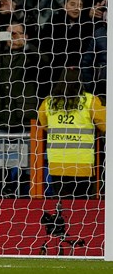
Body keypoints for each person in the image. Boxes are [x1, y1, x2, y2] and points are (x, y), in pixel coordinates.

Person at [37, 68, 106, 198]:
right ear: (81, 81)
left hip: (57, 163)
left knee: (61, 203)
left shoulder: (48, 102)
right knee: (82, 204)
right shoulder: (90, 101)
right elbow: (105, 125)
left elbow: (44, 125)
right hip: (82, 163)